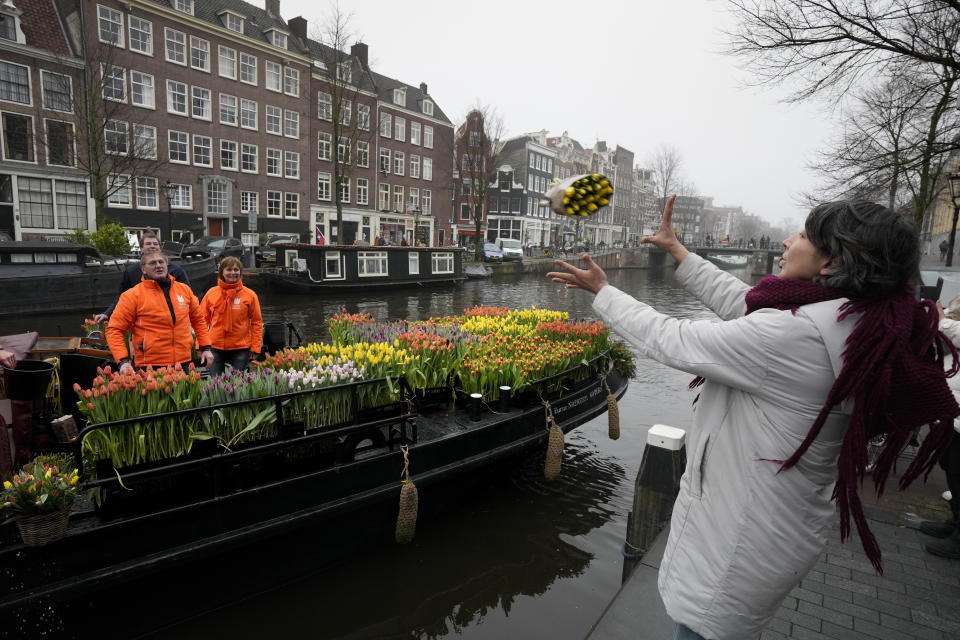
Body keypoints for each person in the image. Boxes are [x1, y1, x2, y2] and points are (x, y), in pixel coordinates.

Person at [547, 196, 959, 640]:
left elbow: (674, 339)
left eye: (802, 235)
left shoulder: (795, 334)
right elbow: (746, 305)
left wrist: (603, 293)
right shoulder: (849, 317)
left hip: (736, 538)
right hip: (777, 527)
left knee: (702, 628)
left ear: (833, 261)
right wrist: (680, 252)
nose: (786, 239)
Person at [106, 252, 213, 374]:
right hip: (151, 366)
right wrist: (123, 361)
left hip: (183, 362)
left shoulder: (184, 290)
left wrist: (205, 347)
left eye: (161, 262)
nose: (158, 265)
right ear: (143, 269)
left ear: (167, 266)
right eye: (152, 263)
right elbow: (114, 329)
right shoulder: (132, 296)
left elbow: (198, 320)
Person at [921, 297, 960, 558]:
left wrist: (941, 319)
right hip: (951, 410)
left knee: (959, 472)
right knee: (951, 468)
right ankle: (955, 523)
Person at [93, 231, 190, 323]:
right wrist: (107, 314)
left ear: (160, 248)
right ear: (141, 248)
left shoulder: (177, 270)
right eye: (148, 244)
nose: (152, 246)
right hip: (142, 321)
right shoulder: (131, 272)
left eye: (155, 244)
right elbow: (122, 298)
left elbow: (187, 296)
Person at [199, 257, 263, 377]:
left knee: (238, 384)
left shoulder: (250, 295)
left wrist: (256, 347)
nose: (232, 273)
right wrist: (200, 346)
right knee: (216, 384)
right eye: (228, 269)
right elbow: (202, 321)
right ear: (222, 272)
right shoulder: (211, 293)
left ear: (240, 272)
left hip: (240, 348)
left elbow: (256, 322)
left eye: (236, 269)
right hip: (215, 347)